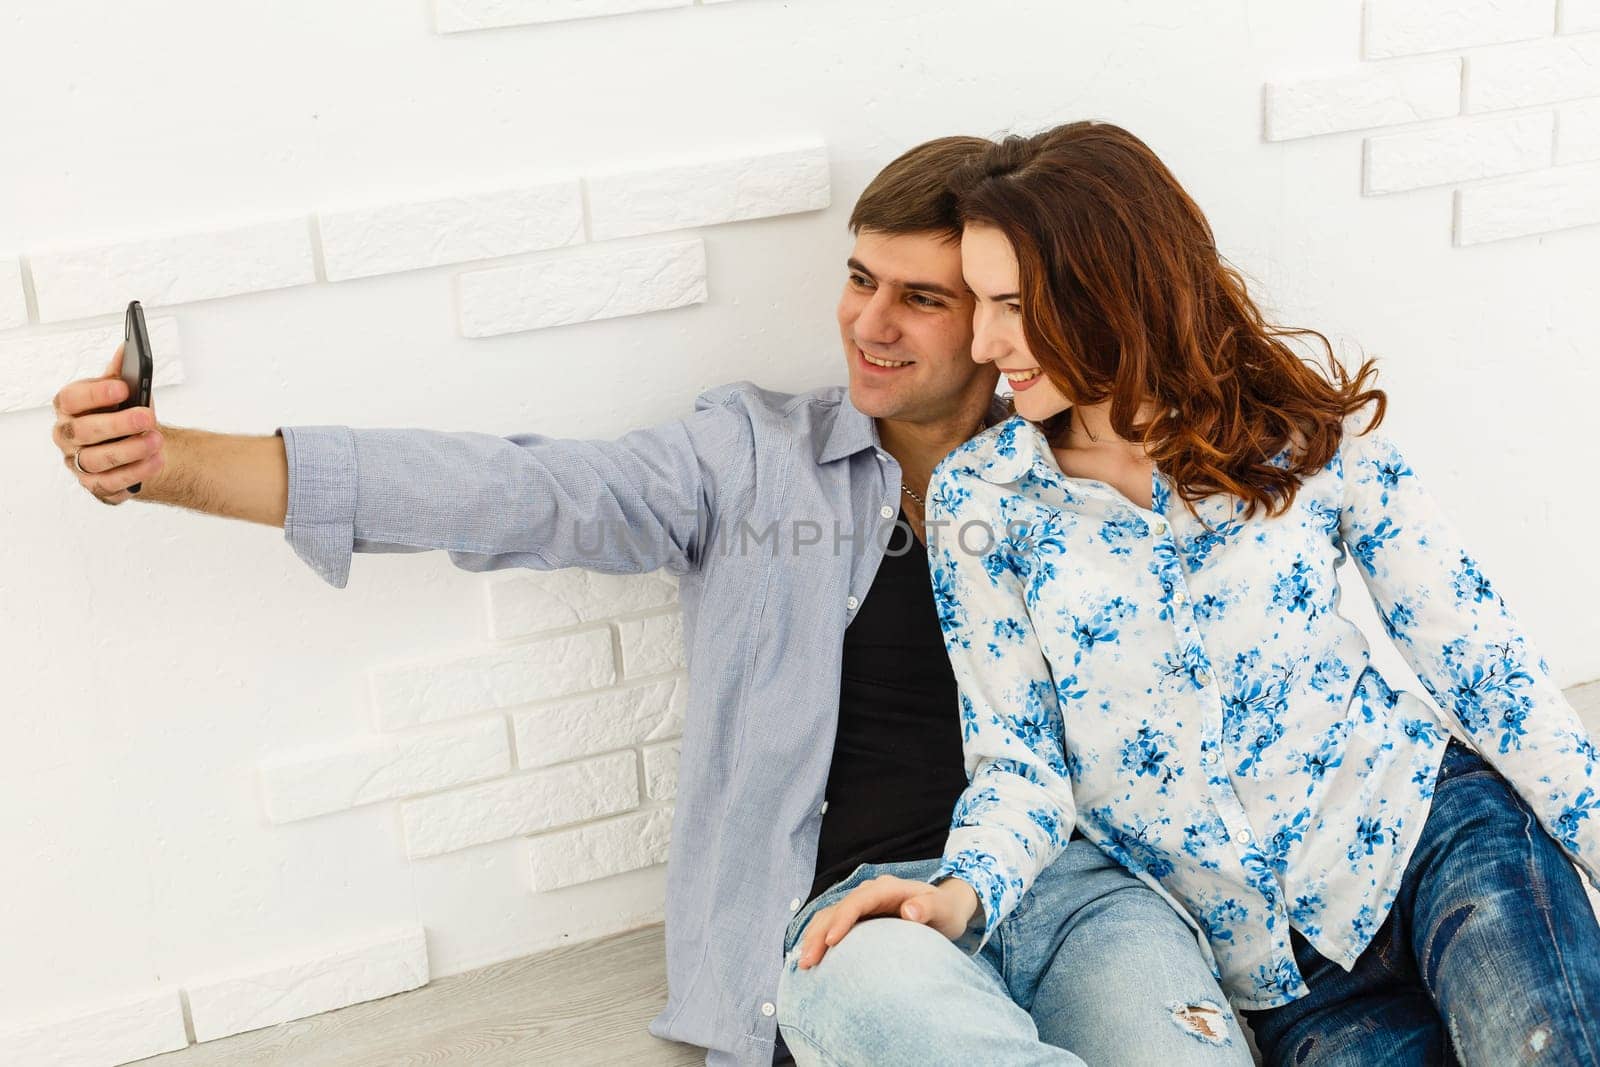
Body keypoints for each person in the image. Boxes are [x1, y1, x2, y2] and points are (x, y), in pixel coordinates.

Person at [48, 136, 1249, 1066]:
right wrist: (173, 463)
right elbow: (513, 491)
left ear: (1002, 315)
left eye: (921, 299)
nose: (865, 324)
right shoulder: (752, 461)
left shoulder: (1096, 463)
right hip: (857, 921)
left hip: (1082, 893)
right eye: (856, 277)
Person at [801, 121, 1600, 1064]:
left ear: (1111, 288)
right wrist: (958, 888)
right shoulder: (985, 499)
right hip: (1276, 972)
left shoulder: (1294, 430)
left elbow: (1477, 659)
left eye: (1011, 304)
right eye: (977, 302)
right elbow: (1020, 758)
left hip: (1435, 842)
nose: (984, 341)